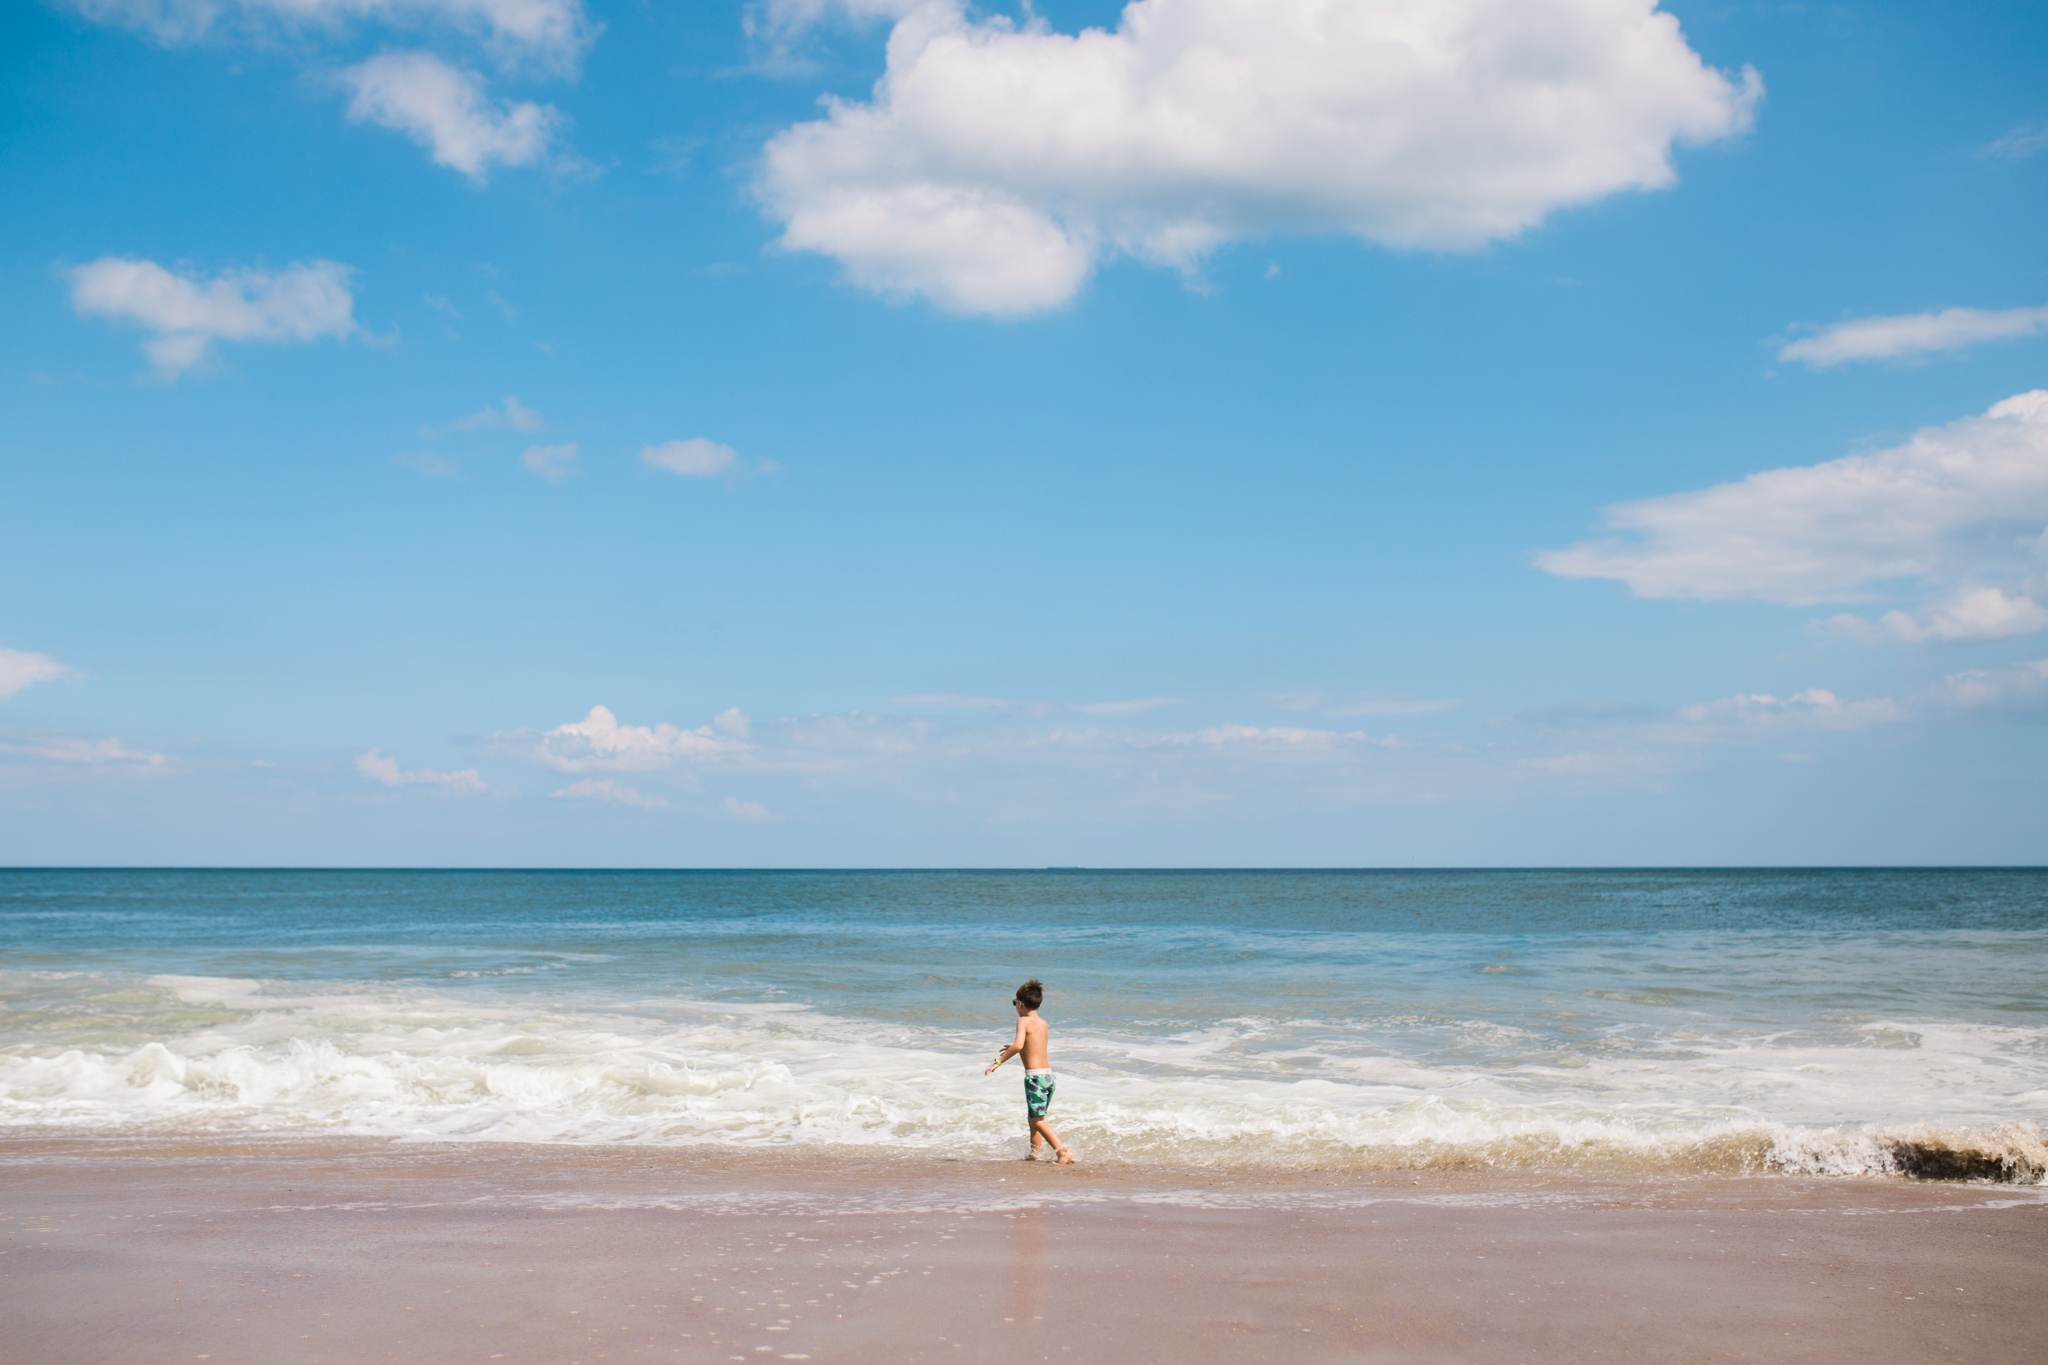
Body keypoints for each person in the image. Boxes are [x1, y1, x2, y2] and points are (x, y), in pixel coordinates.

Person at [985, 978, 1075, 1163]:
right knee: (1034, 1116)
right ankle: (1035, 1154)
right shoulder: (1043, 1023)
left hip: (1035, 1078)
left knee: (1037, 1120)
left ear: (1019, 1004)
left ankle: (1062, 1151)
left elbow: (1018, 1046)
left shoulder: (1023, 1021)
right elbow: (1033, 1046)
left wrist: (998, 1061)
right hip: (1048, 1076)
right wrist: (1016, 1046)